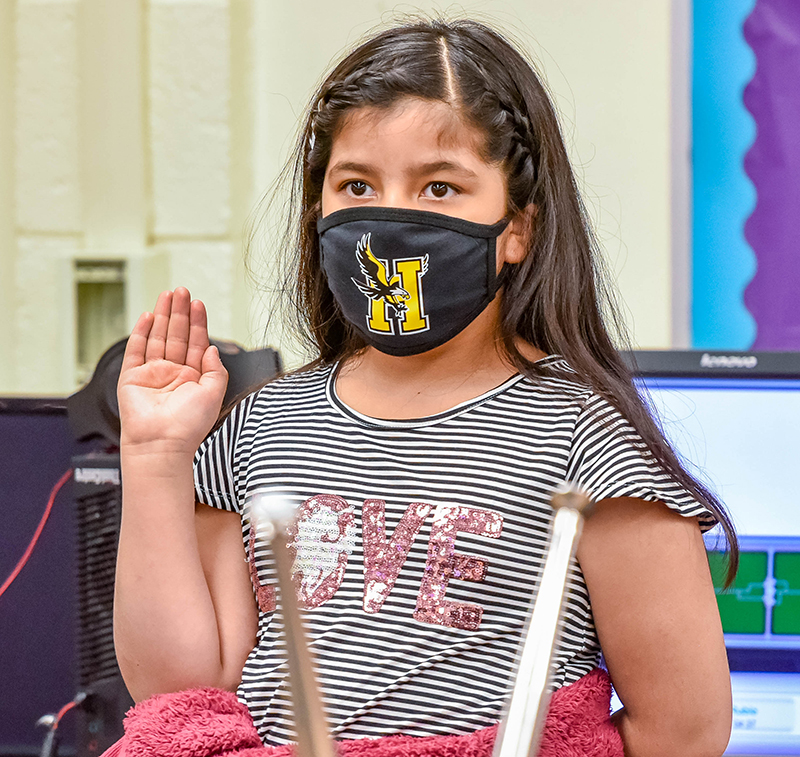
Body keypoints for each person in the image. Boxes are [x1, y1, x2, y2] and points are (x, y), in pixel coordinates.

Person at [114, 18, 735, 757]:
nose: (393, 214)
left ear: (518, 229)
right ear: (319, 208)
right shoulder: (258, 426)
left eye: (440, 186)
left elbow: (684, 729)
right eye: (357, 184)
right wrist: (155, 458)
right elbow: (184, 692)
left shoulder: (585, 438)